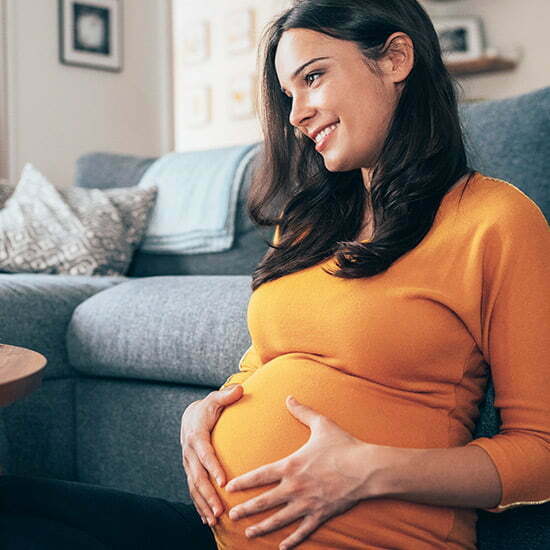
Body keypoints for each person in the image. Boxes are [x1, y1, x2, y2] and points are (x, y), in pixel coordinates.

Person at [1, 1, 548, 549]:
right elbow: (265, 363)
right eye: (289, 95)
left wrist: (369, 469)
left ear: (395, 58)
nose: (296, 115)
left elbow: (540, 452)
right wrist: (203, 412)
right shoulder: (307, 224)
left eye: (313, 77)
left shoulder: (495, 219)